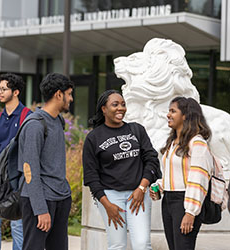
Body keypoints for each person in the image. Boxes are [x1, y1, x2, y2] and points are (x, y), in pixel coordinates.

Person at [82, 90, 161, 250]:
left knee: (142, 244)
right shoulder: (94, 137)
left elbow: (152, 160)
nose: (121, 108)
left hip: (137, 194)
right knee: (117, 244)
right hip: (110, 197)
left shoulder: (137, 130)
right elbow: (91, 176)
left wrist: (142, 187)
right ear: (104, 109)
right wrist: (106, 205)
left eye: (123, 104)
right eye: (115, 104)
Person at [17, 73, 74, 250]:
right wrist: (40, 209)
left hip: (60, 197)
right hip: (40, 199)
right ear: (59, 94)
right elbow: (29, 170)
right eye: (69, 94)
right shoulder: (35, 124)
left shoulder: (58, 120)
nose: (71, 99)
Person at [150, 97, 212, 250]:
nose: (168, 115)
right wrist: (159, 187)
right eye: (169, 111)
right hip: (169, 201)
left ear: (185, 115)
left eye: (173, 111)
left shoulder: (197, 143)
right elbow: (172, 174)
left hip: (184, 202)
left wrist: (190, 212)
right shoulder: (172, 143)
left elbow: (198, 179)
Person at [0, 73, 31, 250]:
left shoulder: (27, 116)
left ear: (16, 91)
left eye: (4, 89)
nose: (0, 92)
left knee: (18, 227)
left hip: (19, 179)